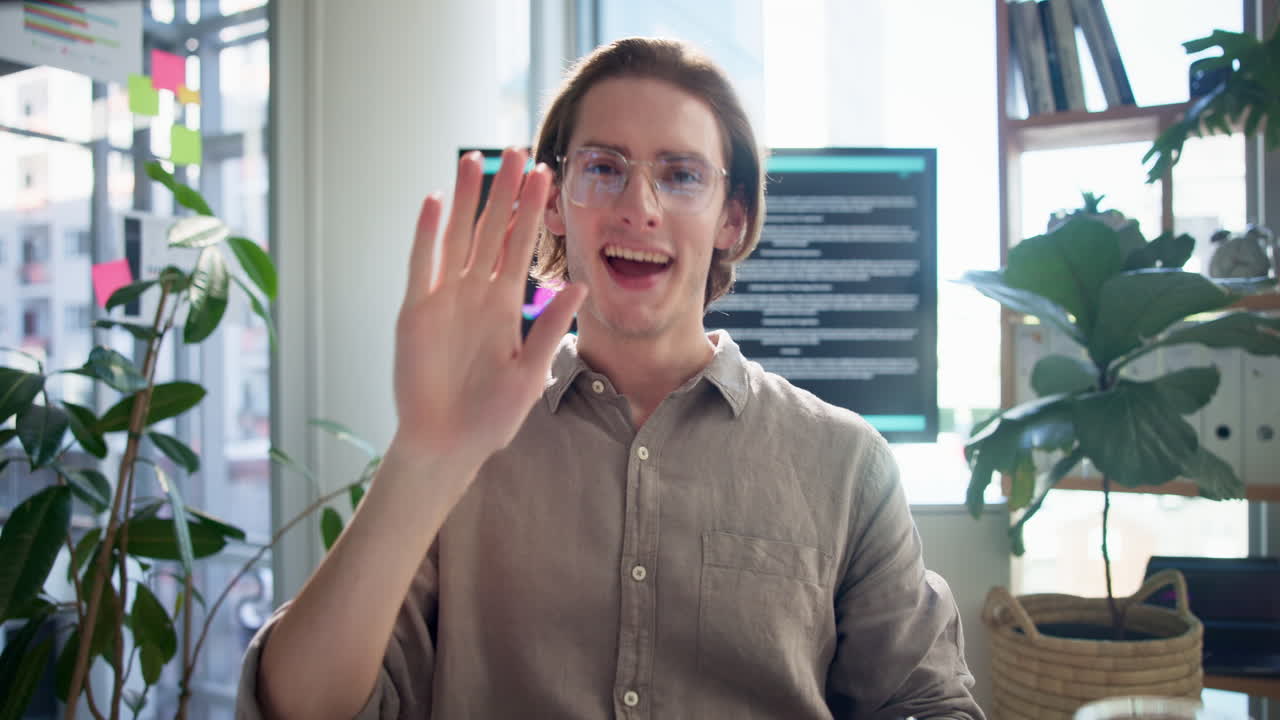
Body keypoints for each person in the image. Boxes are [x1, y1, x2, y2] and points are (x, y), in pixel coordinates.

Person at [237, 37, 983, 720]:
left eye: (681, 174)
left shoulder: (847, 464)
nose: (639, 207)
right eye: (603, 168)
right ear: (556, 203)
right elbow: (299, 707)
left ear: (731, 217)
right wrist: (420, 460)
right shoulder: (464, 448)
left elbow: (928, 701)